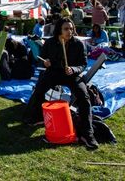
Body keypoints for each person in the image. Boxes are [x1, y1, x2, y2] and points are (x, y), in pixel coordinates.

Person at [23, 17, 98, 149]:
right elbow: (42, 58)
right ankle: (35, 116)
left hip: (72, 75)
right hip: (54, 72)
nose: (69, 31)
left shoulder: (78, 44)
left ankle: (87, 134)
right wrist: (45, 62)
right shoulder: (50, 43)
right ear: (59, 30)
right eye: (66, 29)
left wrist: (73, 69)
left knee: (84, 97)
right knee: (39, 89)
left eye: (71, 28)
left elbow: (83, 63)